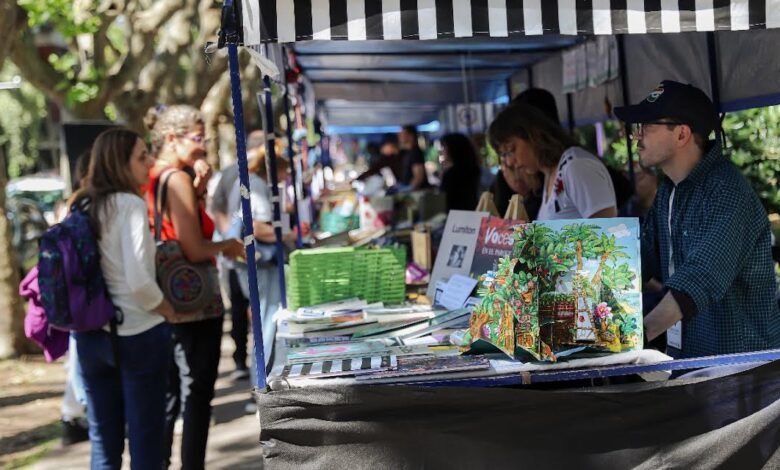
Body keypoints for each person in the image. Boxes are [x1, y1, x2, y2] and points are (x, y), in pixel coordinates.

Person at [615, 80, 780, 358]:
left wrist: (632, 338)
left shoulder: (727, 191)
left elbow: (699, 279)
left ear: (681, 134)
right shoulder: (669, 189)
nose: (636, 136)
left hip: (742, 369)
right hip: (692, 359)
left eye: (646, 126)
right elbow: (641, 258)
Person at [72, 128, 178, 469]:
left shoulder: (82, 203)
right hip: (138, 333)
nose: (149, 162)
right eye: (141, 156)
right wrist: (168, 309)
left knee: (104, 444)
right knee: (146, 442)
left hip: (90, 336)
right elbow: (139, 283)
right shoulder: (130, 205)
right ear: (120, 162)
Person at [145, 105, 244, 470]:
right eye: (198, 139)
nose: (204, 148)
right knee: (197, 392)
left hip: (164, 298)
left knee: (171, 391)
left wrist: (199, 192)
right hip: (194, 301)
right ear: (172, 138)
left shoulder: (153, 176)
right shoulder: (176, 178)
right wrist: (229, 246)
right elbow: (194, 247)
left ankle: (160, 461)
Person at [489, 103, 617, 220]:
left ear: (533, 135)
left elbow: (608, 236)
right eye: (504, 155)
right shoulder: (551, 174)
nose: (510, 162)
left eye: (511, 150)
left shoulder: (575, 168)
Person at [209, 130, 267, 381]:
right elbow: (217, 208)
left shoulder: (239, 172)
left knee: (244, 306)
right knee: (244, 305)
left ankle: (243, 360)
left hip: (239, 248)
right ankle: (242, 360)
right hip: (238, 251)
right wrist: (229, 238)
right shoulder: (234, 172)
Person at [438, 133, 480, 211]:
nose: (442, 151)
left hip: (455, 218)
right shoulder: (475, 170)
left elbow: (443, 202)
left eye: (444, 147)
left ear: (452, 149)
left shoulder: (450, 175)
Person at [398, 125, 430, 189]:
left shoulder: (415, 152)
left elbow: (418, 178)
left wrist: (408, 190)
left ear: (411, 136)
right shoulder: (406, 153)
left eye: (403, 134)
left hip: (416, 193)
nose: (400, 136)